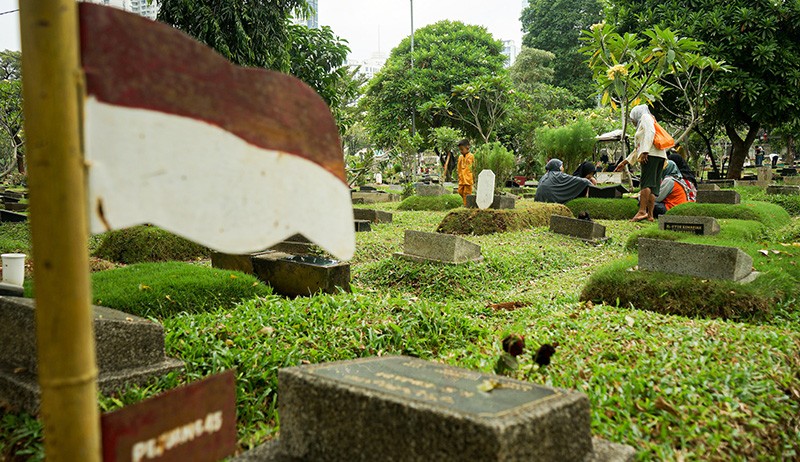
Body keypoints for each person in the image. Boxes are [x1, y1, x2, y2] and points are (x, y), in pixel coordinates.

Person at [614, 105, 669, 222]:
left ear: (636, 114)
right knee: (653, 186)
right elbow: (637, 149)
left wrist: (645, 152)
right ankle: (650, 215)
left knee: (646, 184)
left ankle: (642, 211)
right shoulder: (650, 119)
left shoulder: (645, 117)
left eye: (632, 119)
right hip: (659, 156)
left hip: (650, 155)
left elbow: (651, 132)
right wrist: (624, 162)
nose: (632, 122)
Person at [456, 139, 474, 206]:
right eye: (460, 149)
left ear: (467, 147)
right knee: (460, 191)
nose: (461, 151)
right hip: (461, 179)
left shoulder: (471, 156)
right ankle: (465, 204)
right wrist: (459, 175)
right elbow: (458, 167)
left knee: (467, 193)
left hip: (468, 179)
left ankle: (466, 205)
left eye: (462, 149)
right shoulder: (460, 157)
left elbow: (474, 167)